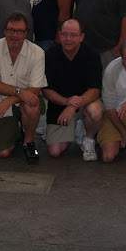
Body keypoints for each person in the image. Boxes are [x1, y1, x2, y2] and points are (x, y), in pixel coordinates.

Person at [0, 12, 46, 163]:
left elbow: (35, 89)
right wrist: (18, 92)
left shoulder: (37, 52)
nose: (14, 35)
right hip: (1, 101)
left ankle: (28, 142)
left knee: (32, 105)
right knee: (3, 153)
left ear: (26, 33)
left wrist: (10, 100)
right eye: (11, 30)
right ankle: (17, 132)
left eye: (19, 31)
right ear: (4, 31)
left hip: (24, 99)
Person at [43, 19, 103, 161]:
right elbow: (46, 91)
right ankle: (75, 129)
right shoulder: (50, 55)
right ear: (59, 35)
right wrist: (66, 102)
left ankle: (88, 139)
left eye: (73, 35)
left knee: (96, 111)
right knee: (55, 152)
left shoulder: (92, 55)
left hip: (84, 103)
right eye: (64, 34)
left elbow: (95, 90)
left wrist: (73, 106)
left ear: (81, 37)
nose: (68, 39)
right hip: (60, 104)